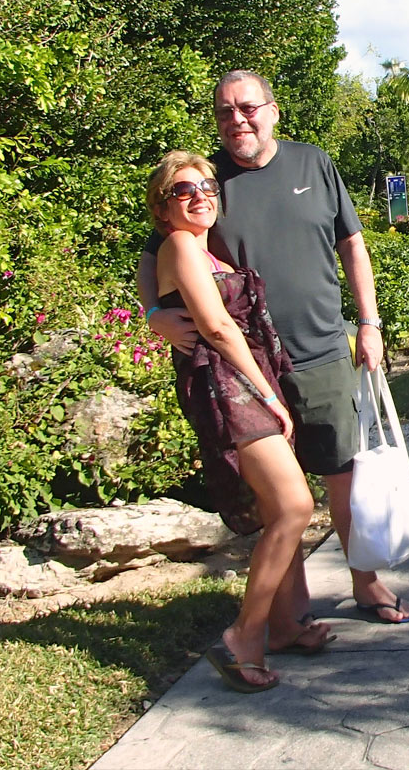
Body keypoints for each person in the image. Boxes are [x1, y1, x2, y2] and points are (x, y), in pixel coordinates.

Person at [139, 71, 409, 625]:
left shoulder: (313, 162)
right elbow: (155, 256)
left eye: (247, 108)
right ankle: (292, 615)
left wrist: (369, 322)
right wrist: (154, 315)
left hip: (320, 351)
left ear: (273, 110)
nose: (236, 120)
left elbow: (353, 245)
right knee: (282, 502)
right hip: (249, 367)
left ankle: (365, 583)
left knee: (345, 477)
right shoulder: (202, 185)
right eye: (224, 112)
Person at [145, 150, 335, 694]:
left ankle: (281, 625)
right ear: (163, 208)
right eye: (184, 190)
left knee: (283, 506)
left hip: (246, 380)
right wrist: (267, 395)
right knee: (295, 506)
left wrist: (153, 311)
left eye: (206, 184)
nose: (201, 194)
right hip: (228, 386)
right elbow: (218, 329)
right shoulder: (181, 244)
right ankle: (243, 638)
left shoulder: (205, 248)